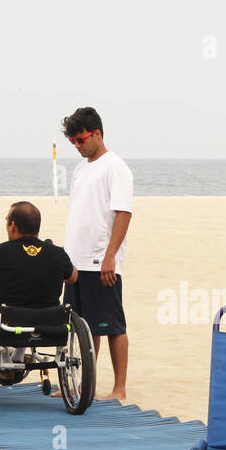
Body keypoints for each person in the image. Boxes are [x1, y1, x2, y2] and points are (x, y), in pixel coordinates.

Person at [60, 106, 133, 401]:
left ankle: (119, 388)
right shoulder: (80, 169)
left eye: (81, 140)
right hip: (75, 261)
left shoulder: (116, 167)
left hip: (101, 260)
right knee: (80, 326)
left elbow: (123, 213)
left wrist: (110, 256)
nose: (77, 146)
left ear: (97, 134)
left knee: (111, 325)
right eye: (73, 142)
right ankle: (83, 382)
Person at [0, 200, 77, 304]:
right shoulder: (57, 254)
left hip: (10, 325)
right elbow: (73, 277)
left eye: (7, 220)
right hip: (51, 323)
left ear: (13, 226)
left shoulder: (0, 252)